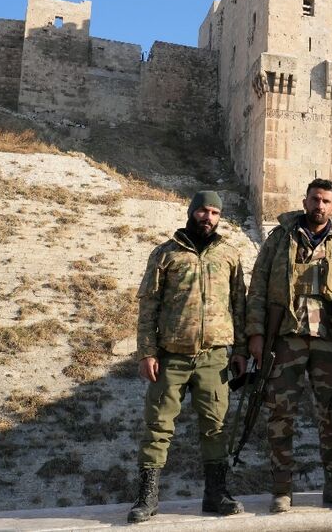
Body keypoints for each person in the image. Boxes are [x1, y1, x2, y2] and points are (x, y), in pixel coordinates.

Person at [128, 191, 247, 523]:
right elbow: (148, 305)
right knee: (158, 426)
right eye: (202, 211)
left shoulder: (229, 255)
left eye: (214, 212)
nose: (208, 217)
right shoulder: (166, 254)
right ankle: (147, 497)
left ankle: (216, 494)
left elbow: (240, 305)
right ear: (191, 212)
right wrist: (147, 352)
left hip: (215, 358)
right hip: (171, 356)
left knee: (216, 426)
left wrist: (239, 352)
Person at [245, 178, 332, 513]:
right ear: (304, 201)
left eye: (326, 201)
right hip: (287, 337)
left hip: (328, 338)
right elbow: (259, 286)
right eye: (315, 199)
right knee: (281, 413)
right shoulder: (280, 239)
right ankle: (282, 489)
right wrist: (256, 335)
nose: (319, 206)